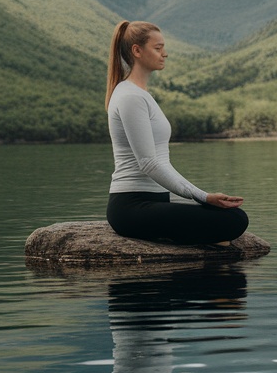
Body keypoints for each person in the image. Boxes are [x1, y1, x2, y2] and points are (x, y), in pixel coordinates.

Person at [105, 20, 249, 246]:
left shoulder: (141, 95)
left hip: (155, 202)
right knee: (234, 221)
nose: (165, 54)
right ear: (137, 51)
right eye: (158, 48)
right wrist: (203, 196)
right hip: (131, 206)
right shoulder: (130, 97)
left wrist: (202, 198)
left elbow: (162, 161)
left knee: (234, 217)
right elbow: (148, 163)